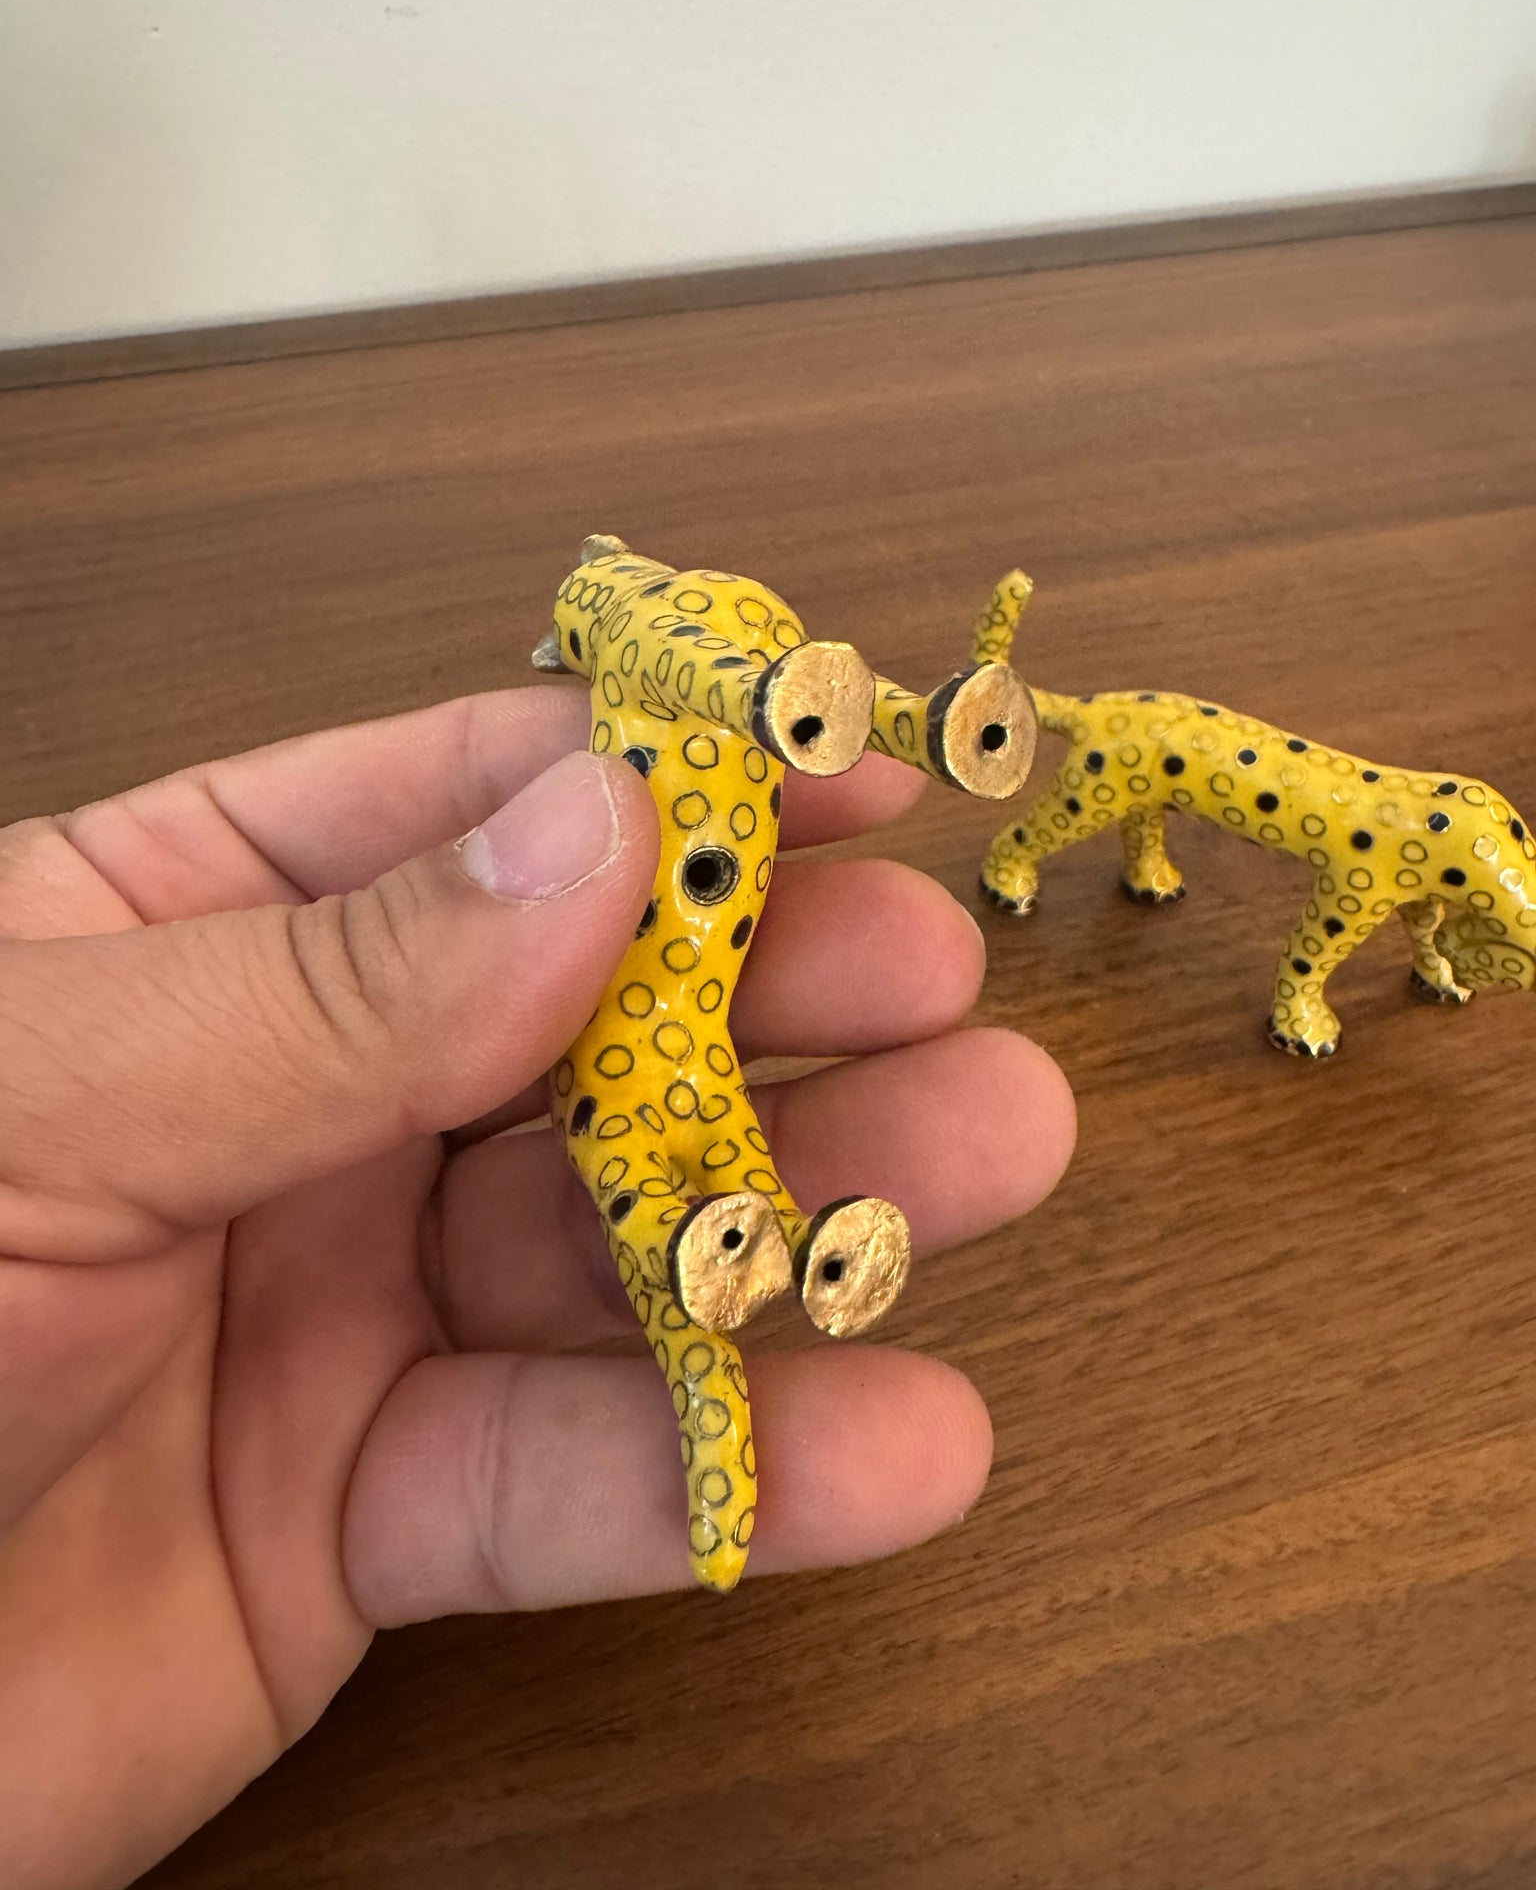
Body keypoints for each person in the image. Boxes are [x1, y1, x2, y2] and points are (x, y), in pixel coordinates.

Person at [0, 683, 1075, 1889]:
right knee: (667, 1239)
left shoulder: (723, 686)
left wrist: (919, 722)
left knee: (742, 1184)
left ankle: (792, 1247)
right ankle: (726, 1253)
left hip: (699, 1063)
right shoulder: (670, 669)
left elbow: (833, 706)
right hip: (627, 1082)